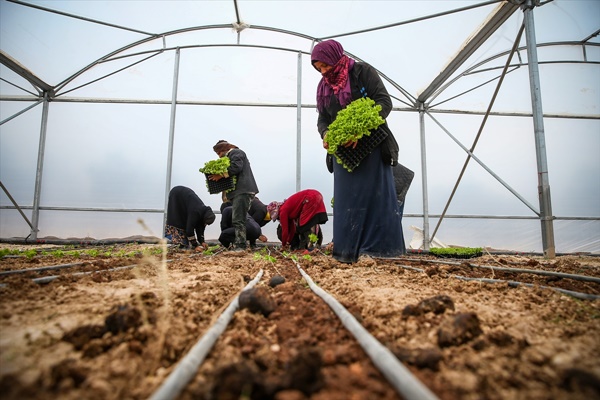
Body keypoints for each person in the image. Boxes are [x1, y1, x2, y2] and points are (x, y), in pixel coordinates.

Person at [311, 39, 405, 263]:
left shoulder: (362, 72)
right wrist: (326, 135)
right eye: (319, 69)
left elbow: (384, 102)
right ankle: (347, 250)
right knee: (347, 200)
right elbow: (323, 119)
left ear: (335, 57)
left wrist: (359, 130)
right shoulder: (324, 87)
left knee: (374, 196)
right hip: (344, 153)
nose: (324, 72)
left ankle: (378, 251)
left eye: (325, 66)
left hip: (372, 146)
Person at [208, 140, 259, 251]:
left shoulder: (236, 152)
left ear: (224, 149)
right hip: (241, 191)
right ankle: (240, 244)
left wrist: (220, 175)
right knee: (239, 218)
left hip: (243, 191)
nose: (219, 156)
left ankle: (240, 246)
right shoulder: (233, 154)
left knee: (238, 219)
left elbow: (236, 167)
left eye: (219, 153)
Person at [165, 186, 216, 250]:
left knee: (186, 232)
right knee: (179, 221)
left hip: (184, 197)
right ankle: (181, 245)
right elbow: (189, 230)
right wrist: (196, 246)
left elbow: (200, 228)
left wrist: (202, 241)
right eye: (205, 223)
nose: (205, 224)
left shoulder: (203, 213)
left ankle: (183, 245)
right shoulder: (196, 212)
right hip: (177, 195)